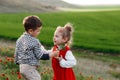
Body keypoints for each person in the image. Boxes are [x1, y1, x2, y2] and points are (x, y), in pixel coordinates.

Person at [14, 15, 58, 80]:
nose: (39, 32)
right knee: (37, 78)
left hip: (22, 67)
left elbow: (16, 53)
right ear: (31, 31)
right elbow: (40, 56)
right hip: (29, 67)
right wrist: (52, 54)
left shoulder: (20, 39)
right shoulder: (35, 41)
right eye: (38, 31)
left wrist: (17, 62)